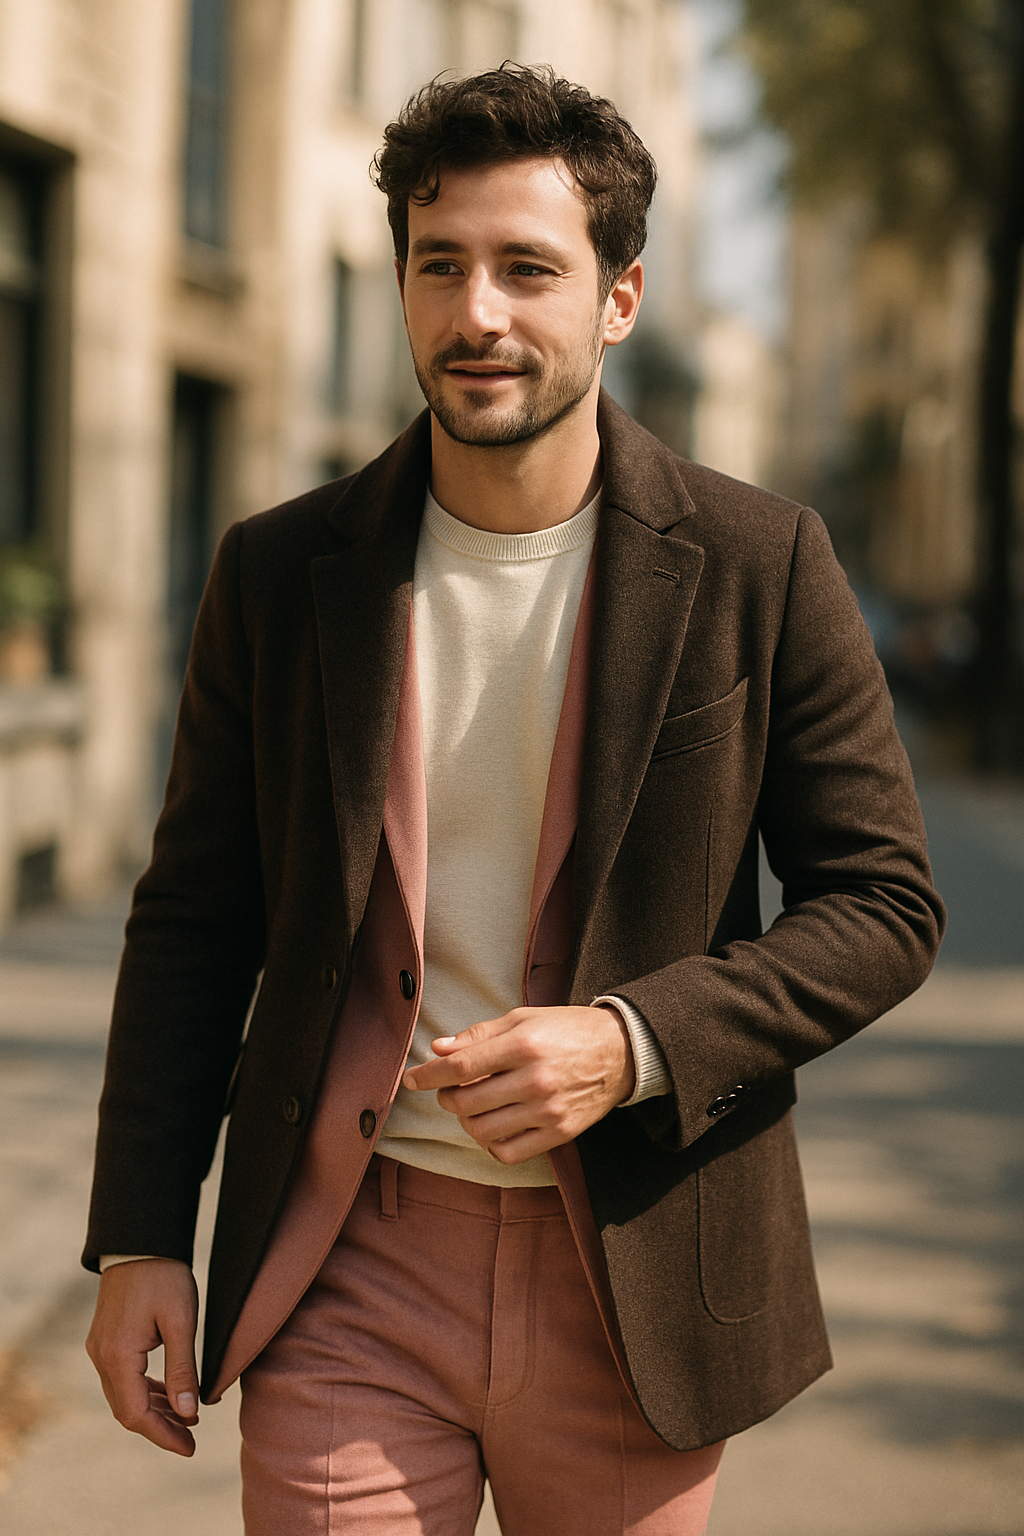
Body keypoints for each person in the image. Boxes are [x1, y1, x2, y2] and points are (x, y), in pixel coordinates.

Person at [83, 64, 944, 1536]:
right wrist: (137, 1236)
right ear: (407, 288)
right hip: (348, 1261)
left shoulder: (759, 561)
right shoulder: (279, 573)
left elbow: (884, 904)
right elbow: (193, 922)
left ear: (619, 297)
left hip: (637, 1266)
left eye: (527, 268)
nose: (477, 312)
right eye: (441, 265)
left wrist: (636, 1040)